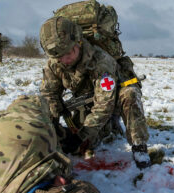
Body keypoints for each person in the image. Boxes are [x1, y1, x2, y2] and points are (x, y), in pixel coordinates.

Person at [39, 16, 151, 168]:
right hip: (86, 102)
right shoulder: (55, 63)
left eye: (68, 54)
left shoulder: (100, 61)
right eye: (58, 57)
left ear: (78, 42)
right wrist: (50, 128)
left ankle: (139, 146)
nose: (64, 60)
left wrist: (81, 136)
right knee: (87, 144)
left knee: (129, 94)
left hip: (112, 99)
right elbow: (48, 95)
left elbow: (105, 105)